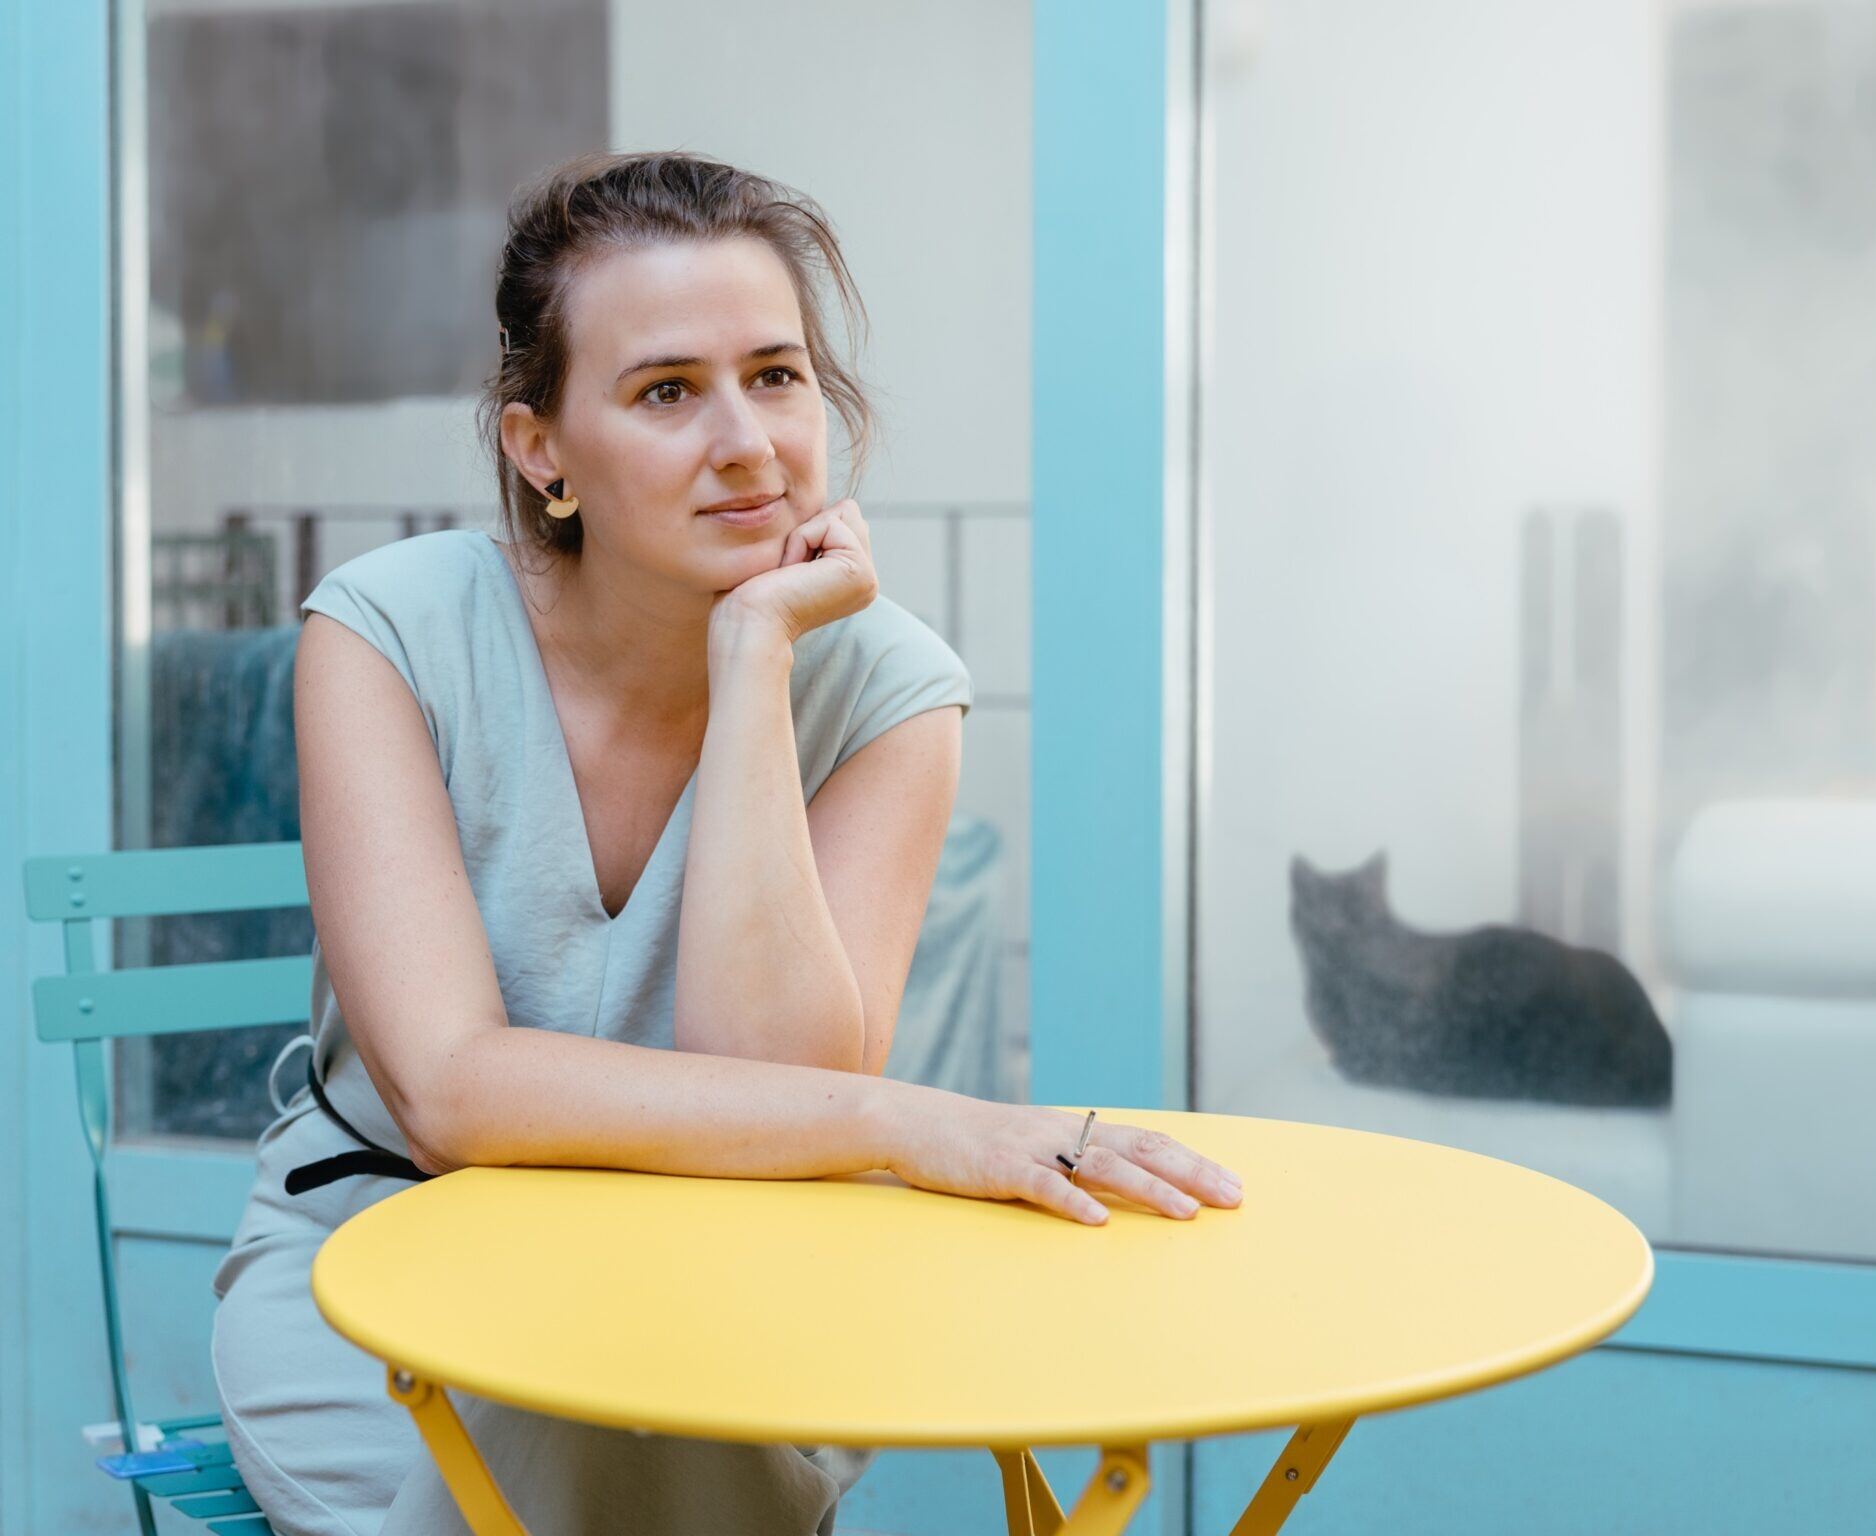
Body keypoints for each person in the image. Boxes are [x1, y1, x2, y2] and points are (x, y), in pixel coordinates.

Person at [209, 149, 1244, 1536]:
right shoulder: (389, 632)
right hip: (378, 1269)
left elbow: (774, 1081)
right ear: (541, 450)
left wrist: (753, 658)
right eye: (665, 393)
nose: (748, 441)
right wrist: (903, 1123)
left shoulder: (887, 689)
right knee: (554, 1423)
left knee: (630, 1411)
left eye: (777, 374)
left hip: (732, 1287)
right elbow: (453, 1094)